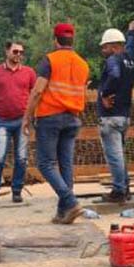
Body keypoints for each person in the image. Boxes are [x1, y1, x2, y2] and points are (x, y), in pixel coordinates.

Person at [23, 23, 89, 225]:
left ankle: (70, 202)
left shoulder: (50, 60)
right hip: (73, 117)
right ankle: (63, 213)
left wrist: (27, 117)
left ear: (55, 40)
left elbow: (37, 91)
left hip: (50, 117)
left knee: (45, 164)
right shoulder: (82, 64)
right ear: (72, 40)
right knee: (65, 165)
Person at [0, 40, 36, 206]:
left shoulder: (29, 72)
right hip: (3, 121)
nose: (18, 55)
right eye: (15, 51)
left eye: (21, 52)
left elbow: (36, 95)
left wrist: (34, 117)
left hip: (23, 121)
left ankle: (17, 191)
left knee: (22, 158)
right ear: (7, 52)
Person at [97, 21, 134, 203]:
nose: (102, 51)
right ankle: (125, 187)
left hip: (111, 116)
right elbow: (130, 47)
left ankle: (119, 191)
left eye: (104, 47)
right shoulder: (128, 58)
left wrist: (104, 93)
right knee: (120, 154)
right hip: (124, 115)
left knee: (114, 157)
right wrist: (131, 33)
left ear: (113, 47)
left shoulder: (113, 60)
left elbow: (114, 75)